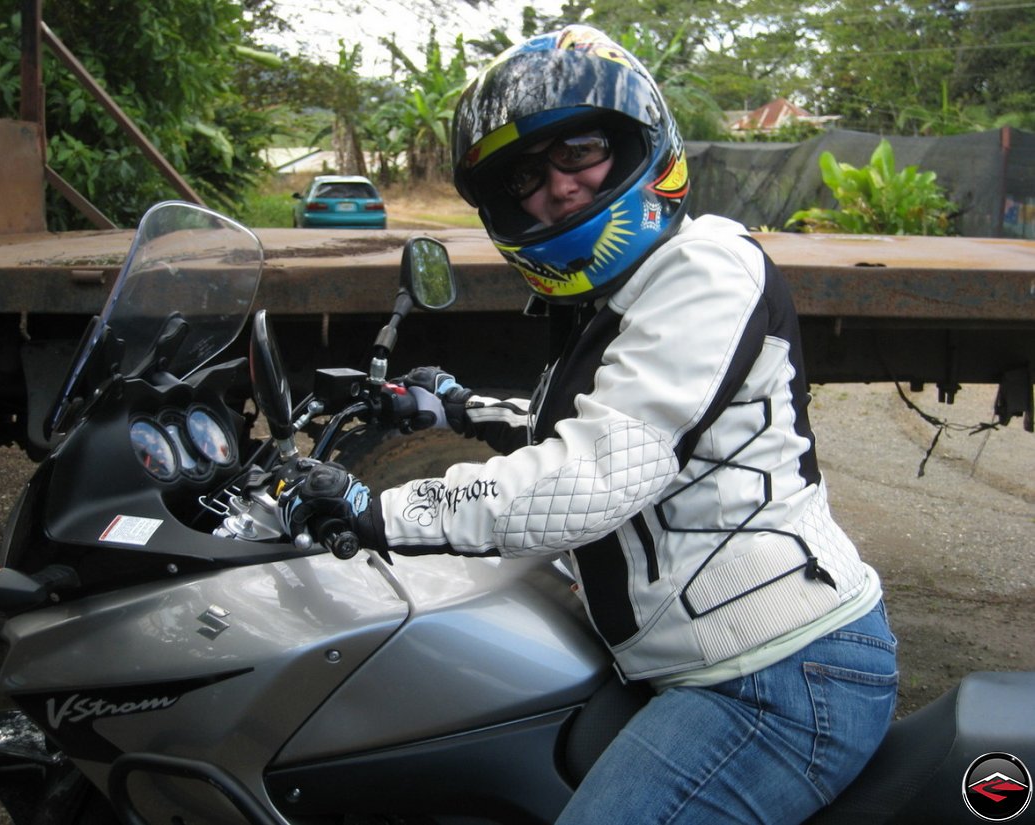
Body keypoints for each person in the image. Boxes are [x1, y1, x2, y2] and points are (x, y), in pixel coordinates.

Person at [282, 24, 898, 824]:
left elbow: (595, 474)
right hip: (705, 661)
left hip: (777, 676)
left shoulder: (704, 269)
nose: (559, 188)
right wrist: (455, 405)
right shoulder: (620, 300)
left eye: (578, 151)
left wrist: (381, 509)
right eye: (528, 176)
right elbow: (606, 426)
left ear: (637, 141)